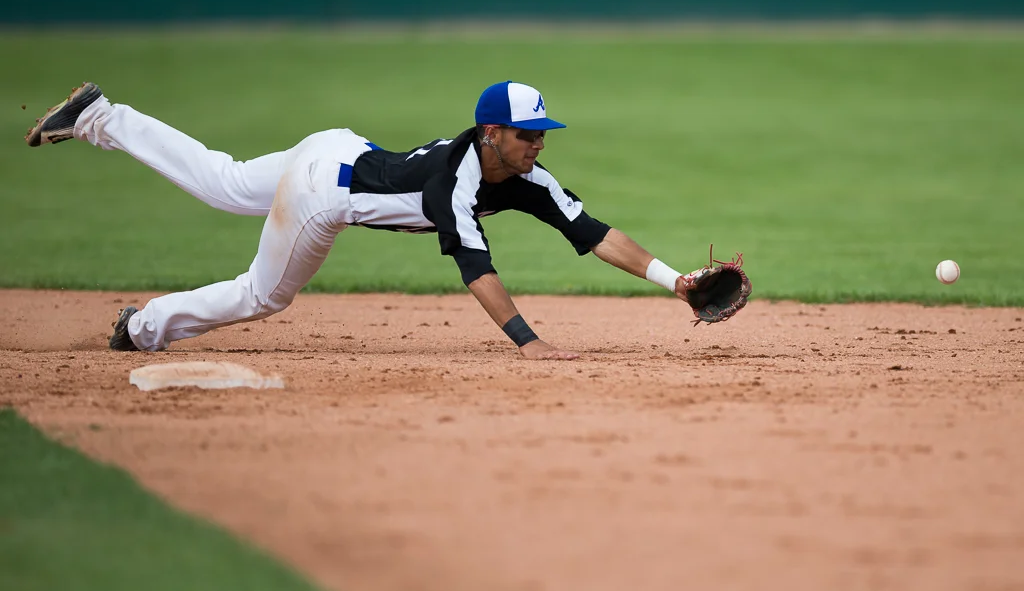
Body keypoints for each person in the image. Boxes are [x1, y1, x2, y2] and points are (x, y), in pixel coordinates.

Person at [26, 81, 704, 360]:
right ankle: (142, 327)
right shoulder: (456, 183)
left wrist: (677, 282)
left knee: (225, 181)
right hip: (324, 192)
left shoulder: (527, 177)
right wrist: (530, 343)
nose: (538, 144)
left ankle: (100, 116)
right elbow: (478, 271)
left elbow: (596, 234)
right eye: (527, 134)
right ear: (491, 132)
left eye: (541, 134)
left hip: (337, 148)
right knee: (264, 295)